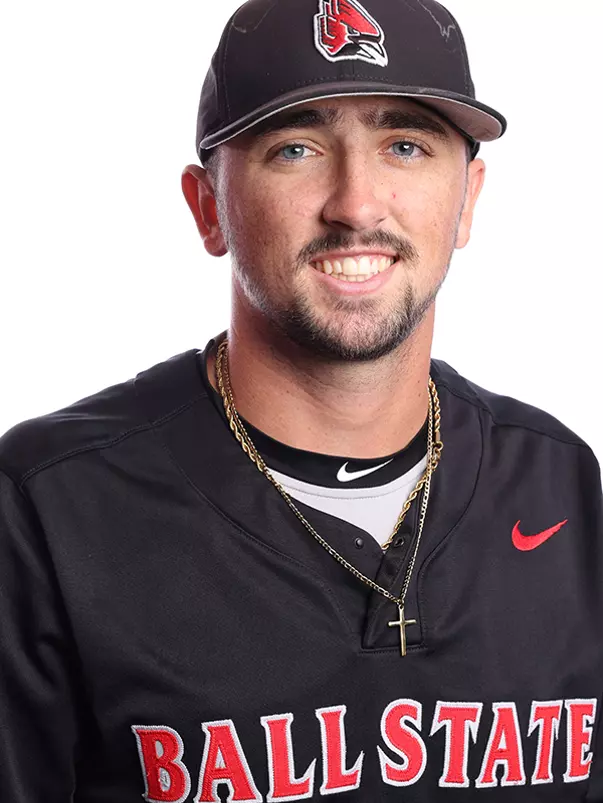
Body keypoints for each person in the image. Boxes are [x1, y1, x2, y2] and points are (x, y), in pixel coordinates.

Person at [1, 0, 602, 799]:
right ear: (207, 205)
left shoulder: (559, 481)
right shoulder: (51, 505)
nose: (356, 204)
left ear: (467, 199)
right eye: (295, 147)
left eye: (404, 145)